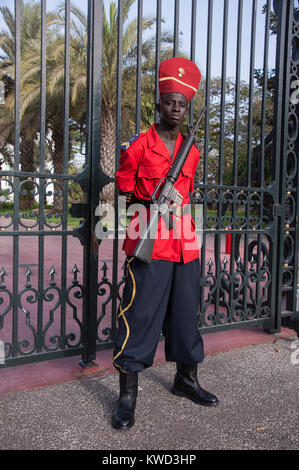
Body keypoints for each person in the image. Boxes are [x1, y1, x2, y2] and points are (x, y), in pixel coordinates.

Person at [112, 57, 219, 430]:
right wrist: (150, 203)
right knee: (139, 315)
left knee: (186, 313)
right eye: (170, 101)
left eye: (182, 103)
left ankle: (185, 379)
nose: (176, 108)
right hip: (150, 239)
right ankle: (128, 397)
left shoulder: (192, 150)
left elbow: (188, 196)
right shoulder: (138, 145)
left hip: (185, 240)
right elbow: (123, 192)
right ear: (159, 103)